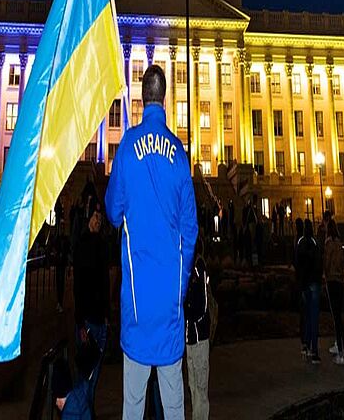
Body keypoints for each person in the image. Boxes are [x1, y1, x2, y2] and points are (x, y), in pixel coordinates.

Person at [105, 64, 198, 420]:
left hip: (137, 306)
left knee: (133, 407)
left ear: (143, 98)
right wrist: (181, 278)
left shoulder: (128, 146)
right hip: (170, 308)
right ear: (165, 98)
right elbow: (190, 228)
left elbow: (113, 212)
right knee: (174, 409)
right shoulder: (178, 152)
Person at [73, 204, 110, 409]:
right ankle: (82, 411)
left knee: (94, 374)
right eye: (95, 216)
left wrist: (107, 315)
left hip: (100, 319)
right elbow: (78, 286)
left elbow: (105, 283)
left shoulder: (102, 245)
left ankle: (87, 408)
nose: (97, 220)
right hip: (87, 319)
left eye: (100, 217)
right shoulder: (82, 245)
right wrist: (80, 323)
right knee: (84, 374)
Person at [184, 234, 211, 420]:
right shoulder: (187, 270)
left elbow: (202, 305)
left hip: (199, 336)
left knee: (200, 385)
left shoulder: (198, 269)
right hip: (190, 337)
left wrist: (187, 313)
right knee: (193, 385)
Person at [295, 218, 322, 363]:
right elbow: (319, 262)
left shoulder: (300, 243)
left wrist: (300, 283)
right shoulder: (315, 242)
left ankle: (305, 344)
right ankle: (314, 350)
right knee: (313, 318)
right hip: (315, 284)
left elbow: (297, 265)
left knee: (305, 316)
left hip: (305, 284)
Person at [323, 218, 344, 364]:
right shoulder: (339, 243)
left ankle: (340, 352)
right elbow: (343, 262)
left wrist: (325, 274)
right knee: (339, 316)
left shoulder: (328, 243)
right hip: (340, 280)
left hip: (332, 280)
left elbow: (326, 262)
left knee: (336, 317)